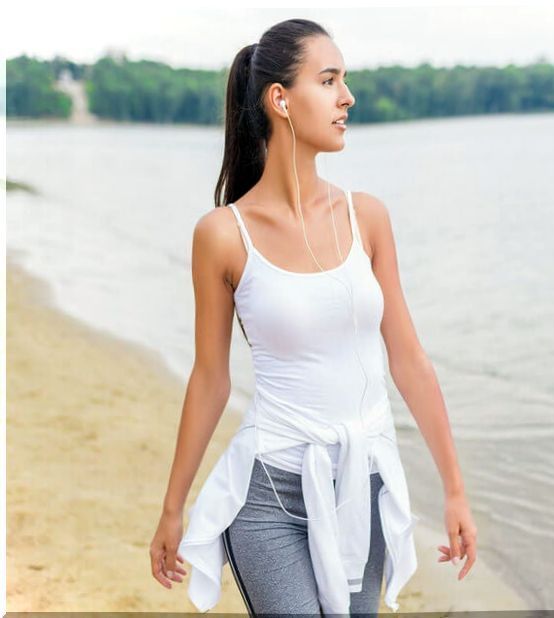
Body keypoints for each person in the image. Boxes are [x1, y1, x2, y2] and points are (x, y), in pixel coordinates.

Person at [148, 17, 477, 616]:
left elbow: (407, 358)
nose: (347, 96)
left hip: (365, 483)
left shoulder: (367, 217)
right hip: (270, 494)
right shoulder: (223, 234)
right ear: (280, 99)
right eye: (328, 80)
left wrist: (455, 490)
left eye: (343, 80)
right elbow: (210, 379)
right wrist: (174, 509)